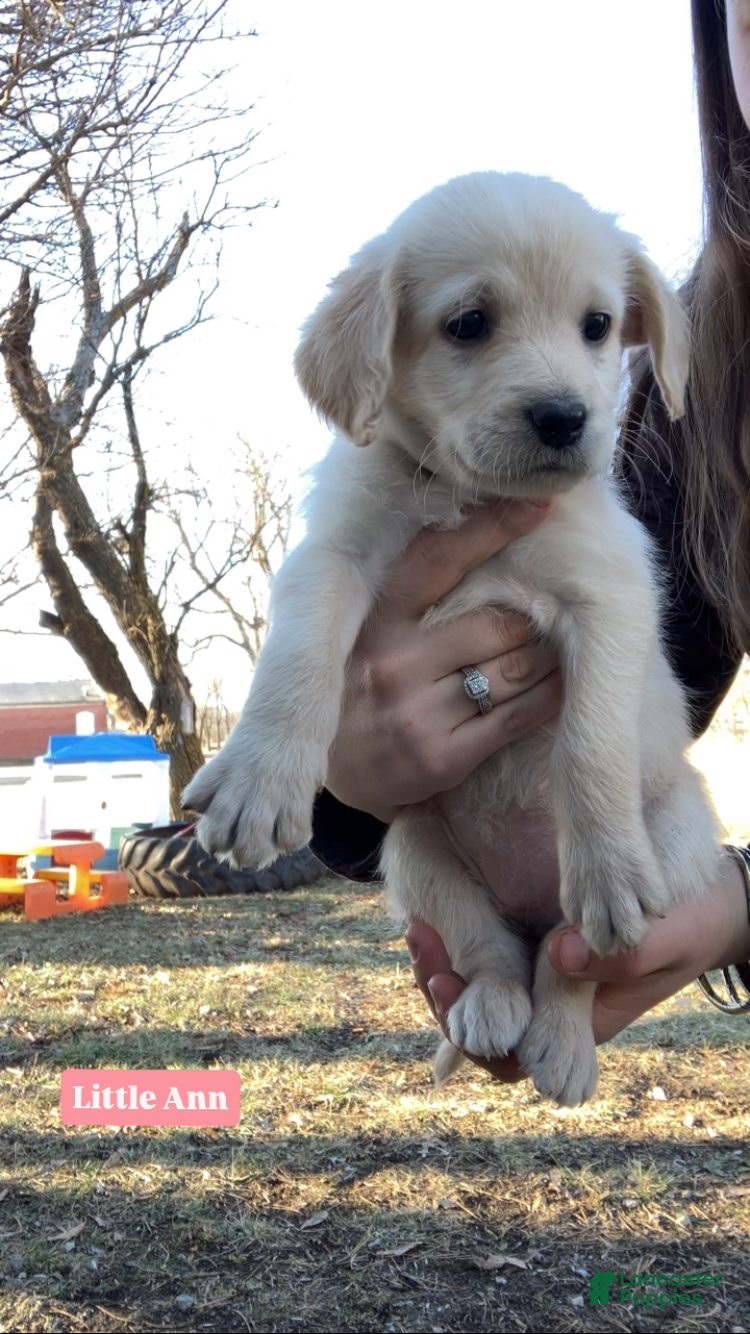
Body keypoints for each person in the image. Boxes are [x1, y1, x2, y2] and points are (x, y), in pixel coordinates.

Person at [309, 0, 750, 1081]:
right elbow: (638, 690)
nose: (561, 378)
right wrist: (349, 766)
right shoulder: (687, 409)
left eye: (597, 330)